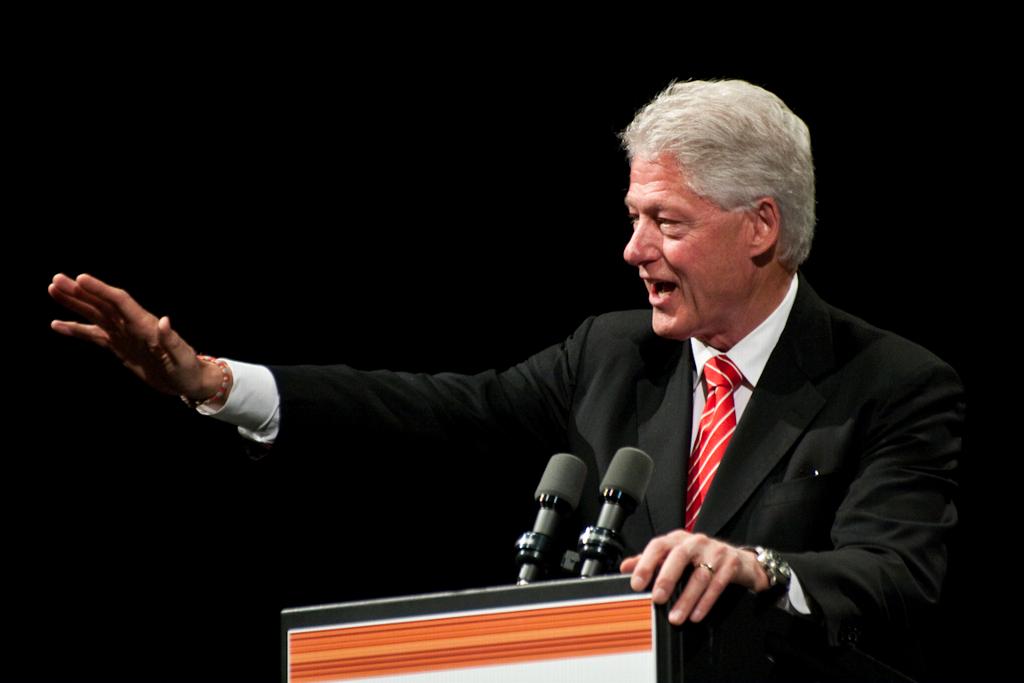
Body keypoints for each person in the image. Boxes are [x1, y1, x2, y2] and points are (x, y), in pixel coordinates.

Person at [49, 79, 963, 673]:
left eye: (666, 222)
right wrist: (214, 383)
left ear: (761, 226)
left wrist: (759, 566)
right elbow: (437, 414)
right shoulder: (612, 354)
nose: (633, 249)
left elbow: (895, 574)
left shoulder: (891, 382)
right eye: (633, 216)